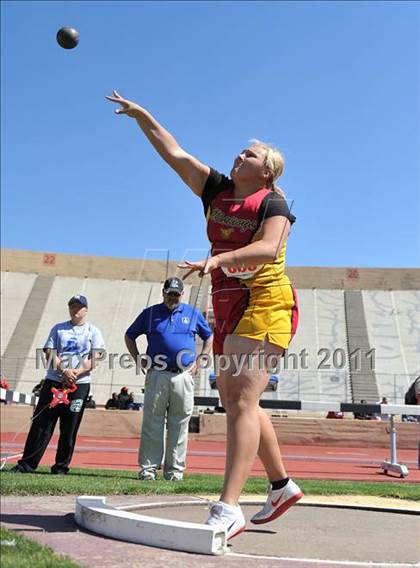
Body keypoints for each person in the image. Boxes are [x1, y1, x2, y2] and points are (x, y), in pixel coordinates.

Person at [107, 91, 302, 538]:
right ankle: (281, 485)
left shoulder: (274, 204)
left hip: (267, 304)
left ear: (266, 171)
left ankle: (229, 505)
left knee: (241, 403)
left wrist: (217, 261)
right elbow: (175, 154)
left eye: (248, 153)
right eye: (240, 150)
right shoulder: (216, 190)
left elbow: (269, 247)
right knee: (239, 401)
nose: (238, 155)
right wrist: (143, 116)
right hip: (229, 305)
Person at [125, 276, 213, 481]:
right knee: (152, 422)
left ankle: (175, 471)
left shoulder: (192, 313)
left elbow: (208, 336)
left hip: (183, 375)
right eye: (169, 293)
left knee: (180, 423)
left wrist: (201, 360)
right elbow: (130, 335)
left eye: (176, 293)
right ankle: (148, 469)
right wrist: (138, 359)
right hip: (157, 373)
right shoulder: (150, 314)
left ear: (182, 294)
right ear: (163, 293)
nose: (173, 297)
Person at [11, 295, 105, 474]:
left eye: (79, 307)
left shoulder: (93, 331)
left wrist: (76, 373)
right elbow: (49, 352)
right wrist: (64, 371)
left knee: (70, 426)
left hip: (79, 385)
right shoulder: (59, 329)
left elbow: (96, 356)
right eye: (73, 306)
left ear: (86, 310)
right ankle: (27, 464)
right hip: (55, 381)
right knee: (42, 424)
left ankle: (61, 466)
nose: (76, 310)